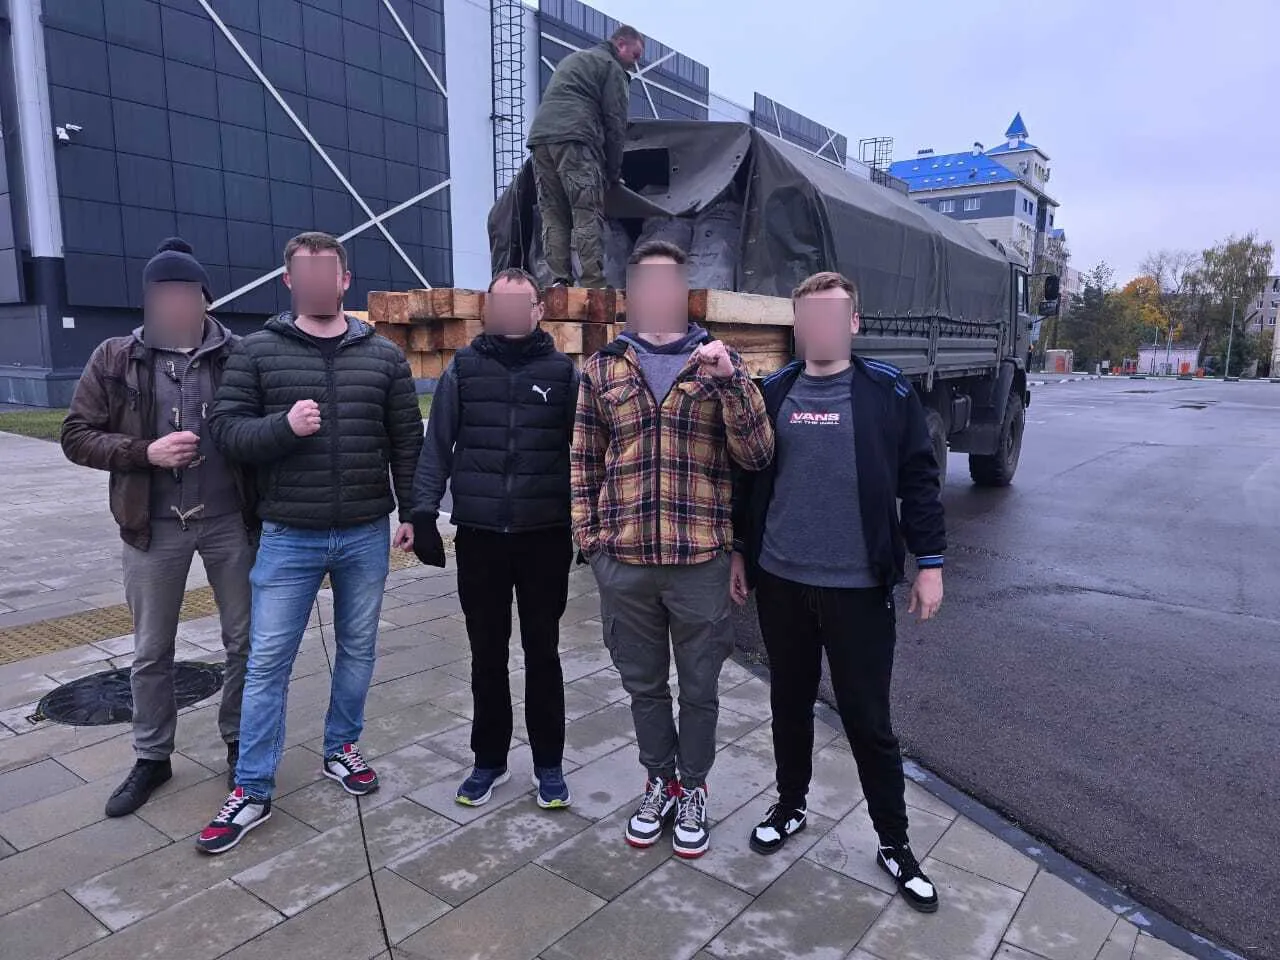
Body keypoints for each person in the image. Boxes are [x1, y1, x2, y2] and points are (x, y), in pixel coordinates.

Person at [195, 232, 423, 855]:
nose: (320, 283)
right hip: (288, 534)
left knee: (358, 648)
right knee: (268, 660)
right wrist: (285, 427)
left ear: (345, 280)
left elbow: (407, 440)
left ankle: (341, 747)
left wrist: (413, 513)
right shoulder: (257, 351)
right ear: (290, 280)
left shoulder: (383, 355)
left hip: (365, 532)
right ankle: (252, 787)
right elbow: (227, 433)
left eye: (330, 273)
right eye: (307, 273)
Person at [730, 271, 946, 913]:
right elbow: (748, 478)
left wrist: (930, 563)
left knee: (869, 721)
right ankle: (790, 805)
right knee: (788, 704)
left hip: (859, 588)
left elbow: (919, 479)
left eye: (832, 316)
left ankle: (895, 843)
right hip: (782, 582)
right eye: (808, 318)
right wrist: (741, 551)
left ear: (853, 322)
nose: (819, 329)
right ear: (797, 325)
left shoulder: (886, 391)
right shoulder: (773, 391)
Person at [572, 240, 774, 858]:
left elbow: (757, 454)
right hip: (625, 562)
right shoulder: (604, 367)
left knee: (701, 687)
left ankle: (694, 787)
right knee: (643, 685)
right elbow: (583, 461)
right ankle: (658, 781)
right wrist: (591, 543)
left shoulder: (720, 361)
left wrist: (731, 383)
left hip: (698, 562)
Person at [60, 238, 257, 816]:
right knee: (151, 650)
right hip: (152, 526)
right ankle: (152, 756)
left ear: (204, 299)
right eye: (161, 293)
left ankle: (240, 742)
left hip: (230, 521)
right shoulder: (115, 357)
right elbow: (75, 435)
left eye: (183, 293)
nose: (172, 303)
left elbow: (266, 427)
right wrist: (144, 452)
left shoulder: (239, 354)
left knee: (245, 641)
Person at [412, 268, 578, 810]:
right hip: (480, 535)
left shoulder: (563, 373)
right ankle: (489, 760)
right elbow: (437, 444)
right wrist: (423, 510)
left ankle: (549, 763)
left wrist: (588, 521)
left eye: (518, 303)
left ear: (537, 311)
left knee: (543, 652)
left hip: (544, 535)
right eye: (497, 304)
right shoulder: (463, 369)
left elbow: (585, 453)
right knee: (486, 654)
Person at [526, 25, 644, 288]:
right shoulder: (612, 67)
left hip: (541, 140)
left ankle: (559, 281)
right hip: (576, 140)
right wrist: (613, 173)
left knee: (552, 213)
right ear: (621, 45)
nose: (635, 64)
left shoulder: (574, 60)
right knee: (586, 211)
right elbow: (615, 124)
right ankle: (593, 283)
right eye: (634, 56)